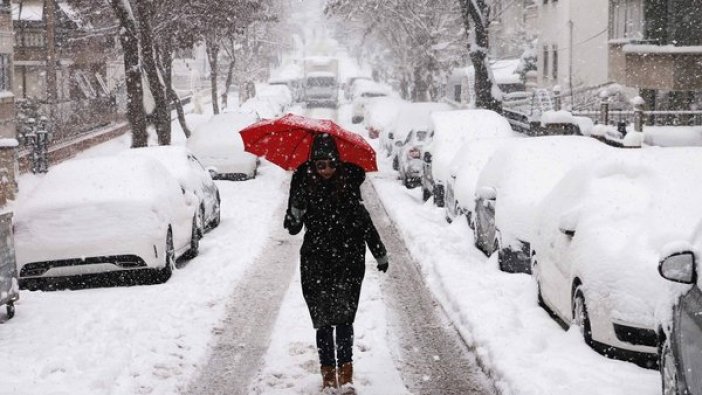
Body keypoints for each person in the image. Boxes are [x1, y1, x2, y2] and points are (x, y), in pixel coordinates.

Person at [284, 133, 389, 393]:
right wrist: (295, 211)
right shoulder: (303, 186)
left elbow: (365, 224)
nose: (327, 170)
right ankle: (328, 376)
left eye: (331, 164)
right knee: (322, 321)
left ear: (338, 163)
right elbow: (293, 228)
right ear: (314, 165)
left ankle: (346, 375)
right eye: (321, 165)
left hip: (348, 262)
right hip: (315, 262)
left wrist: (380, 253)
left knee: (343, 320)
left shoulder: (349, 185)